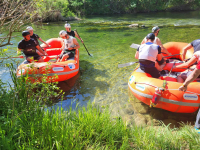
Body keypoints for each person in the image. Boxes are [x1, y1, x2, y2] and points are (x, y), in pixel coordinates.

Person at [175, 51, 200, 133]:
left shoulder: (197, 54)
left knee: (181, 75)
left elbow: (194, 73)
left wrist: (185, 85)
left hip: (196, 75)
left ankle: (197, 127)